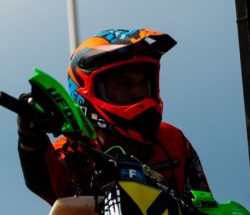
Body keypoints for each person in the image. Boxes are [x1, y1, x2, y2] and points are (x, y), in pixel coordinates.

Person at [17, 28, 210, 205]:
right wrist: (30, 135)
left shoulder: (172, 140)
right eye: (124, 84)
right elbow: (46, 185)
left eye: (144, 83)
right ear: (88, 91)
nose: (139, 93)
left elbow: (207, 206)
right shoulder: (73, 150)